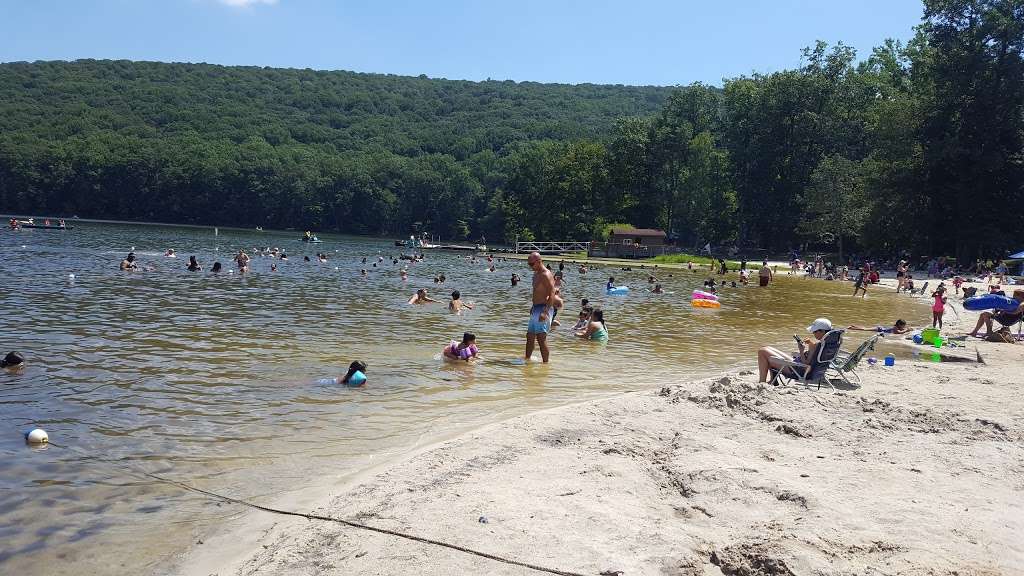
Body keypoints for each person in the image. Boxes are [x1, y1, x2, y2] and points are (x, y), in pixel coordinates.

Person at [757, 318, 832, 383]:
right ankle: (773, 380)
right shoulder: (827, 344)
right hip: (800, 366)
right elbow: (813, 358)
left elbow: (805, 363)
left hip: (797, 370)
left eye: (815, 331)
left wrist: (801, 350)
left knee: (762, 351)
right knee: (767, 348)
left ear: (822, 331)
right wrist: (811, 344)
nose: (813, 333)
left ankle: (762, 382)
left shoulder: (817, 346)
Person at [526, 251, 556, 362]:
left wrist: (545, 311)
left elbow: (552, 293)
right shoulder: (536, 274)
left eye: (531, 264)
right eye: (529, 264)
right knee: (530, 336)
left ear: (539, 261)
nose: (530, 266)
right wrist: (533, 307)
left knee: (541, 338)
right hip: (536, 307)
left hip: (544, 307)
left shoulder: (545, 275)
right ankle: (527, 359)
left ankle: (545, 364)